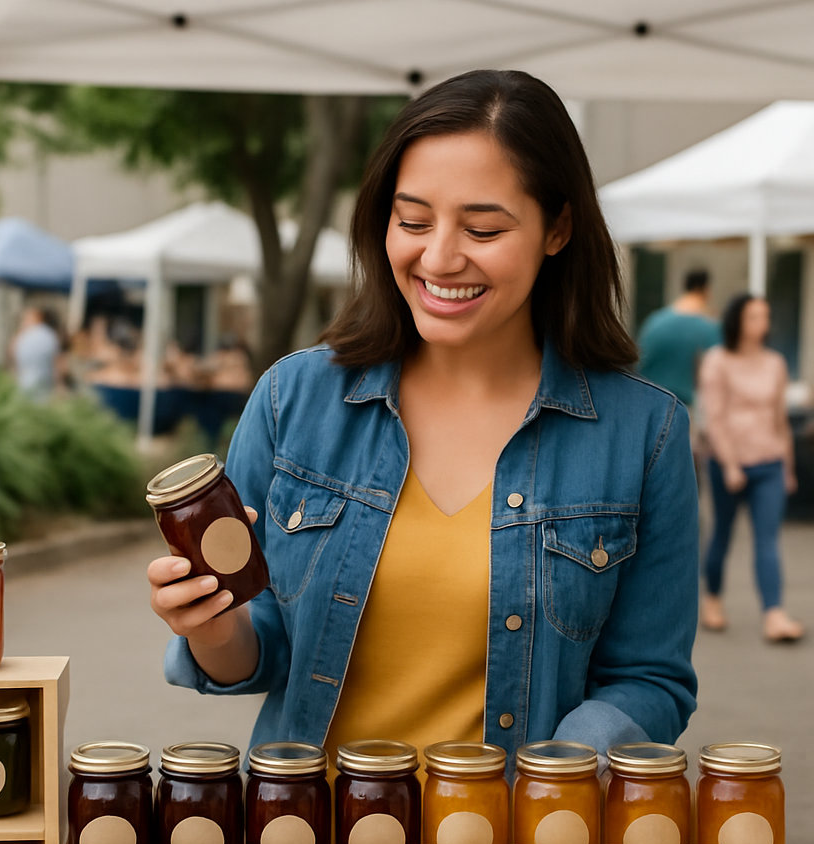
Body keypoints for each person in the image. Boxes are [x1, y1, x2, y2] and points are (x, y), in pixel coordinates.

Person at [148, 69, 699, 769]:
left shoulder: (643, 434)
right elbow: (253, 655)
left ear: (558, 228)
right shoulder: (295, 398)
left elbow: (651, 681)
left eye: (483, 227)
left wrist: (556, 771)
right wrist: (212, 626)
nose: (438, 257)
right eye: (412, 221)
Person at [697, 294, 803, 642]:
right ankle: (712, 598)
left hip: (769, 462)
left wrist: (787, 466)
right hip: (729, 465)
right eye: (754, 317)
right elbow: (715, 418)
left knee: (768, 540)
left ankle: (774, 615)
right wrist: (729, 465)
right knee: (722, 536)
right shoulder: (718, 361)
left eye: (766, 317)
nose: (763, 324)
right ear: (737, 321)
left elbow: (779, 419)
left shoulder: (775, 362)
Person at [636, 269, 720, 407]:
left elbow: (640, 360)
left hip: (648, 399)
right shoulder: (708, 327)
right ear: (705, 290)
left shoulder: (655, 321)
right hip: (683, 405)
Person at [9, 305, 61, 403]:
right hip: (46, 382)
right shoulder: (50, 334)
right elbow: (57, 360)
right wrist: (59, 384)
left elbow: (11, 354)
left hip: (25, 382)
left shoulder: (23, 335)